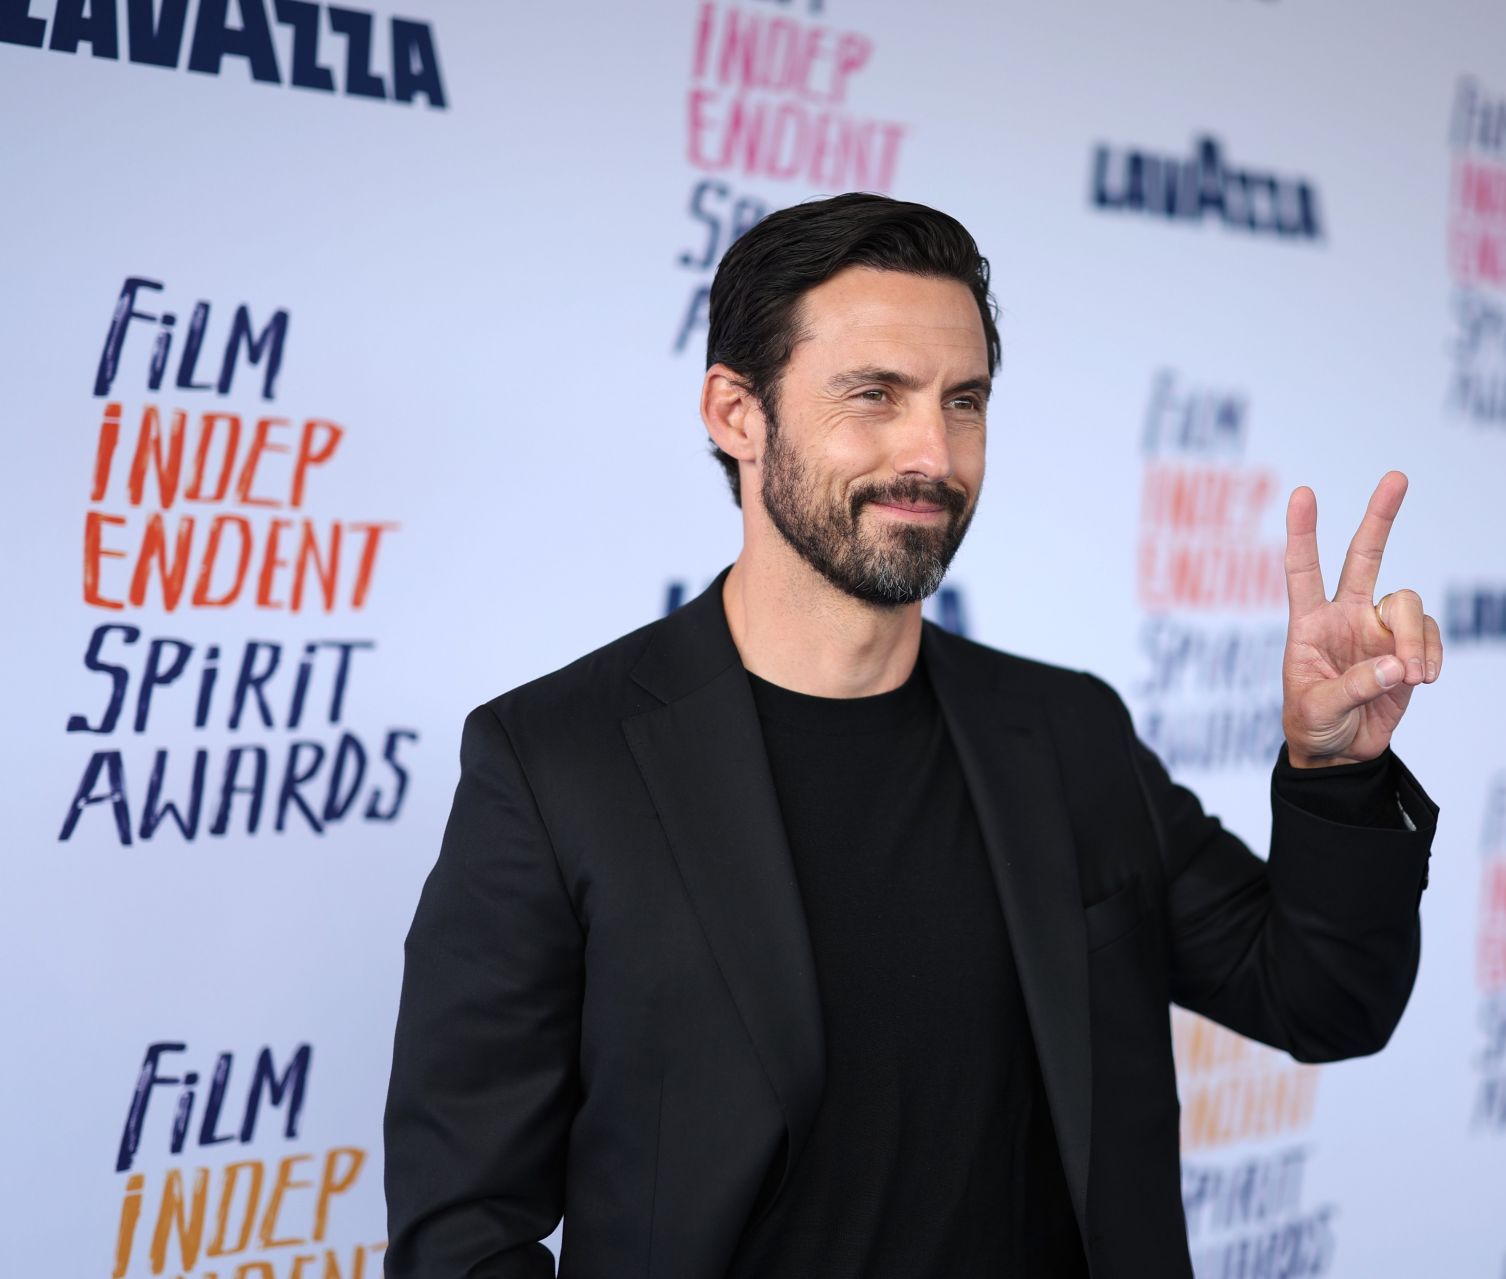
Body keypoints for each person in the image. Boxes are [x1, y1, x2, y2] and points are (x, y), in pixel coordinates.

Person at [383, 192, 1442, 1279]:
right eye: (874, 396)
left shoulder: (1068, 731)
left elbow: (1322, 996)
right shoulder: (557, 762)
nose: (933, 452)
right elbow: (465, 1228)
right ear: (737, 414)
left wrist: (1335, 772)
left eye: (964, 400)